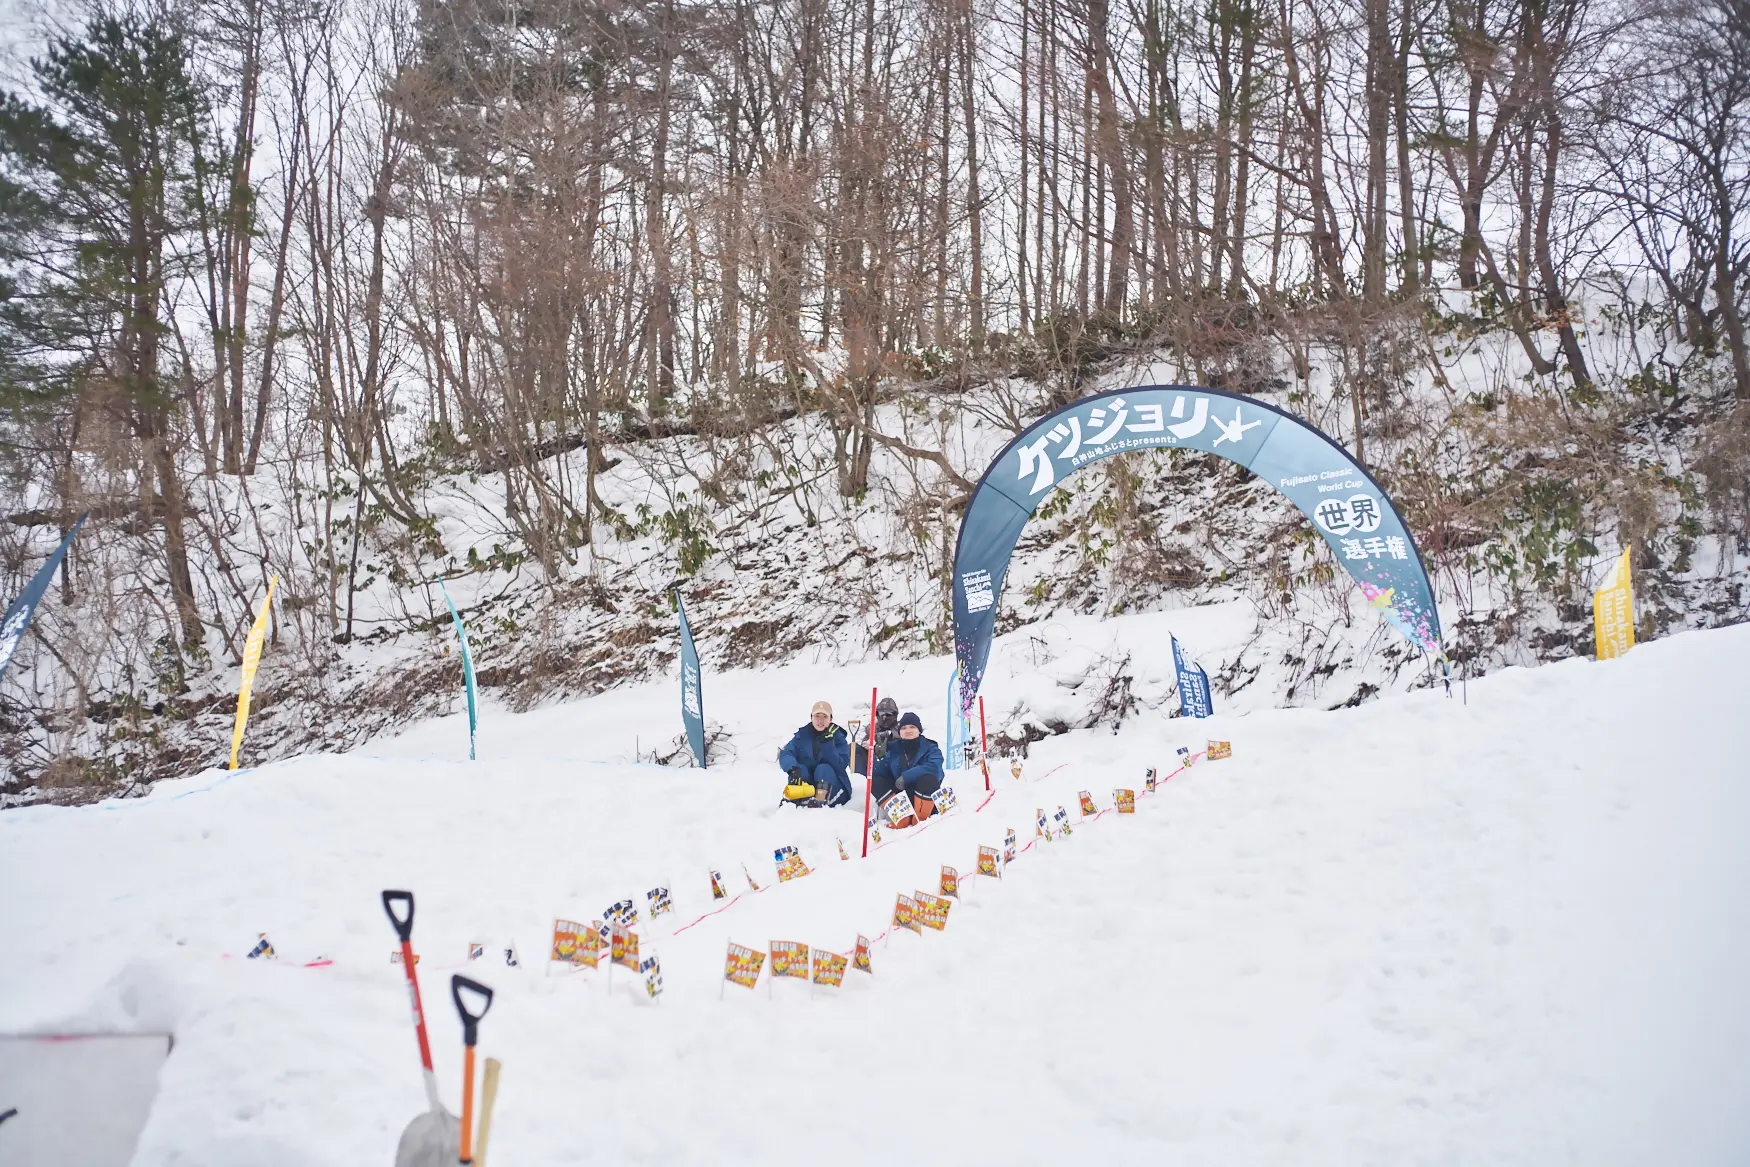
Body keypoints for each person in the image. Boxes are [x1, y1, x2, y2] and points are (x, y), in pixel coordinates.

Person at [778, 701, 852, 807]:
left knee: (823, 768)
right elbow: (786, 753)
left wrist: (828, 746)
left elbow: (840, 765)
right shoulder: (802, 736)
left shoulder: (838, 738)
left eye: (824, 716)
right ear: (811, 718)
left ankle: (821, 798)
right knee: (799, 769)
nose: (820, 720)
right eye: (817, 716)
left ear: (830, 719)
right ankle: (795, 799)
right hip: (808, 785)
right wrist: (792, 768)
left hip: (835, 787)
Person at [871, 711, 944, 817]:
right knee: (875, 782)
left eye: (912, 727)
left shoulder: (931, 747)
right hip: (901, 799)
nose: (908, 731)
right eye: (904, 728)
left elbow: (935, 768)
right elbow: (879, 774)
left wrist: (906, 777)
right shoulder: (893, 748)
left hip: (924, 795)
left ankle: (920, 818)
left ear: (919, 730)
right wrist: (878, 757)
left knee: (928, 779)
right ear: (899, 732)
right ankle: (901, 818)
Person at [852, 696, 900, 776]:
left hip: (892, 767)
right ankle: (860, 779)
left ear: (894, 715)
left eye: (888, 714)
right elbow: (865, 743)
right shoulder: (873, 729)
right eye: (881, 713)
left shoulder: (901, 728)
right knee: (854, 748)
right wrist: (867, 745)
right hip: (872, 765)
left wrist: (887, 737)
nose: (884, 717)